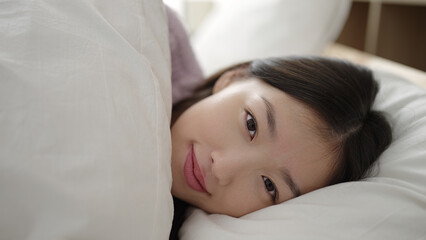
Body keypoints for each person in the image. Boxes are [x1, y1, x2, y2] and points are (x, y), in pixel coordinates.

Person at [165, 6, 392, 240]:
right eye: (251, 125)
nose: (222, 168)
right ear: (234, 77)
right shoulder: (155, 39)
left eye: (269, 185)